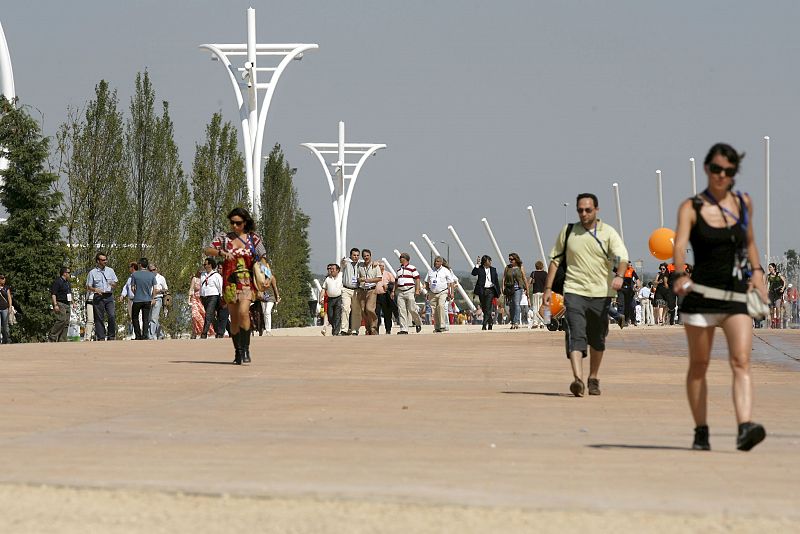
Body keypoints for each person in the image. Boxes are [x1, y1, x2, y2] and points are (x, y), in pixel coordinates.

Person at [673, 142, 768, 452]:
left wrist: (757, 272)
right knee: (699, 365)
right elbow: (679, 245)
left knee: (741, 361)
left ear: (734, 174)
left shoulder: (743, 203)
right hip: (701, 295)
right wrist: (679, 274)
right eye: (716, 169)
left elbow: (750, 241)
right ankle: (701, 431)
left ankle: (744, 427)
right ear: (706, 169)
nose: (721, 176)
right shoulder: (692, 207)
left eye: (728, 171)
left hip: (735, 295)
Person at [543, 193, 628, 397]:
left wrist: (620, 276)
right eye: (580, 209)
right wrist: (547, 289)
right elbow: (555, 260)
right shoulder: (569, 231)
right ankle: (578, 380)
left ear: (596, 210)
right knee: (575, 333)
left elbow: (622, 257)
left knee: (598, 339)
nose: (583, 213)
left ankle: (593, 377)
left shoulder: (608, 233)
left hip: (601, 293)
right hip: (574, 291)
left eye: (588, 209)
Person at [204, 207, 267, 364]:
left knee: (244, 312)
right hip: (230, 283)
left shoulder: (254, 239)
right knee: (234, 317)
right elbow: (208, 249)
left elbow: (263, 259)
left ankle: (246, 349)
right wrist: (221, 253)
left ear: (245, 222)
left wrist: (267, 277)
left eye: (238, 223)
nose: (234, 226)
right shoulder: (224, 238)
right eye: (232, 222)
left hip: (247, 282)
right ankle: (237, 351)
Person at [86, 251, 119, 341]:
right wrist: (95, 290)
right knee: (99, 317)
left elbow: (116, 283)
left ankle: (111, 336)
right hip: (98, 296)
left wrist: (113, 284)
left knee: (112, 315)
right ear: (98, 261)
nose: (105, 261)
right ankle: (101, 337)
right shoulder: (92, 272)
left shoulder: (110, 270)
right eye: (103, 260)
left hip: (109, 296)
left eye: (106, 259)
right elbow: (88, 286)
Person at [425, 256, 455, 333]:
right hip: (432, 293)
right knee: (434, 310)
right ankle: (437, 326)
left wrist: (451, 293)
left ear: (441, 262)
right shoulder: (430, 271)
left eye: (438, 261)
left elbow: (451, 282)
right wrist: (428, 290)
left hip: (443, 292)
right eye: (435, 261)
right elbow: (426, 281)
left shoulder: (445, 271)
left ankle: (442, 325)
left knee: (441, 306)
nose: (436, 263)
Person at [129, 258, 157, 340]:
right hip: (147, 299)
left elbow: (133, 287)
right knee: (145, 318)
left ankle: (138, 335)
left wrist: (136, 294)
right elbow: (155, 288)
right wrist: (153, 298)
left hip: (137, 299)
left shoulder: (135, 274)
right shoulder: (151, 275)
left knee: (135, 317)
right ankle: (145, 335)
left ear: (140, 265)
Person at [395, 252, 422, 334]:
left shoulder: (412, 268)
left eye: (401, 257)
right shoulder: (399, 270)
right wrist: (393, 291)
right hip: (400, 291)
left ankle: (418, 323)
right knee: (401, 310)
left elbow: (417, 278)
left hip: (409, 290)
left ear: (405, 258)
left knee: (412, 308)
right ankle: (404, 329)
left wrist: (417, 290)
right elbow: (396, 281)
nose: (400, 259)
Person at [356, 249, 382, 335]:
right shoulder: (360, 266)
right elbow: (357, 278)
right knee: (363, 310)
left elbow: (379, 278)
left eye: (367, 255)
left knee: (369, 309)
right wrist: (360, 279)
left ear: (370, 256)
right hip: (362, 290)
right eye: (364, 256)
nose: (366, 257)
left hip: (371, 290)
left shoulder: (375, 266)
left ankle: (374, 327)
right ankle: (368, 329)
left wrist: (368, 280)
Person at [472, 255, 501, 331]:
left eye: (491, 260)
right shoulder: (480, 269)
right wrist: (477, 264)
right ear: (485, 262)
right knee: (484, 308)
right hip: (482, 290)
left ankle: (484, 324)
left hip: (490, 290)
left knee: (488, 307)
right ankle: (490, 322)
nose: (490, 262)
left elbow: (496, 281)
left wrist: (498, 292)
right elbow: (474, 273)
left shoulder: (493, 270)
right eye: (489, 260)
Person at [502, 252, 529, 330]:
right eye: (509, 259)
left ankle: (516, 322)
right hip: (509, 288)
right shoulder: (507, 267)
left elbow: (524, 278)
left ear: (516, 259)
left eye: (512, 259)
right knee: (511, 306)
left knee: (516, 304)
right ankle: (513, 321)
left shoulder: (520, 267)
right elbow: (504, 277)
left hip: (518, 288)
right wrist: (503, 287)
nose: (510, 261)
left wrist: (526, 289)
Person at [340, 248, 362, 335]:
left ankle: (355, 330)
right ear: (351, 255)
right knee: (345, 308)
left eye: (357, 255)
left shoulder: (361, 263)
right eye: (354, 255)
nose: (356, 257)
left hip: (357, 290)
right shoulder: (346, 262)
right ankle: (344, 329)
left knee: (356, 310)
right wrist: (343, 260)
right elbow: (342, 263)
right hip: (346, 289)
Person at [199, 258, 223, 338]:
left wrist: (222, 296)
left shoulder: (216, 275)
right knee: (211, 316)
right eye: (204, 264)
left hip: (213, 296)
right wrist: (200, 295)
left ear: (210, 265)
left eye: (206, 264)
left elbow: (220, 286)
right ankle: (218, 331)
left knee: (208, 314)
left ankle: (204, 333)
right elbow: (201, 286)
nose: (204, 266)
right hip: (204, 297)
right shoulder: (203, 275)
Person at [48, 267, 73, 342]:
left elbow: (69, 294)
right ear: (64, 273)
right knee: (62, 319)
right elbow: (53, 294)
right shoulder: (58, 282)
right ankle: (52, 335)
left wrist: (73, 302)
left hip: (67, 303)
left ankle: (62, 339)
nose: (69, 274)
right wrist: (55, 304)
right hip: (60, 303)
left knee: (66, 323)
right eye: (68, 272)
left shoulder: (67, 282)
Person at [321, 264, 343, 336]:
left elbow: (344, 267)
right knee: (330, 316)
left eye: (333, 269)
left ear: (337, 270)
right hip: (330, 299)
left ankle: (335, 332)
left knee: (337, 315)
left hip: (339, 298)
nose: (331, 270)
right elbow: (324, 289)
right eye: (331, 269)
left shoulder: (341, 276)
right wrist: (321, 298)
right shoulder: (328, 279)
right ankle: (334, 328)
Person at [375, 261, 396, 334]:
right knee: (376, 313)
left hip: (385, 295)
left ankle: (388, 329)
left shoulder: (388, 274)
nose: (381, 267)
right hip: (376, 295)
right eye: (380, 265)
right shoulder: (375, 273)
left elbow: (394, 282)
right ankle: (376, 329)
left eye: (382, 266)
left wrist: (392, 291)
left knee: (387, 313)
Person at [119, 262, 139, 339]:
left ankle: (139, 334)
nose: (129, 268)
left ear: (133, 267)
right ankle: (135, 333)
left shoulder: (138, 277)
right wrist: (122, 295)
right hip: (130, 300)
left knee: (138, 318)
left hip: (138, 300)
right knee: (132, 317)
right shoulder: (130, 278)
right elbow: (126, 287)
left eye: (129, 267)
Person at [148, 264, 168, 340]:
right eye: (151, 270)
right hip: (149, 299)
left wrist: (159, 290)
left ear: (156, 269)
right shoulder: (148, 277)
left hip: (158, 298)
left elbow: (166, 289)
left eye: (154, 270)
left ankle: (151, 336)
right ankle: (160, 333)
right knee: (150, 318)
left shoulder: (161, 278)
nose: (152, 271)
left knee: (154, 318)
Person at [766, 263, 786, 329]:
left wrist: (783, 288)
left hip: (777, 293)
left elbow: (784, 281)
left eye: (770, 267)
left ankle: (777, 319)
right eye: (769, 267)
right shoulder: (768, 276)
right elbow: (766, 284)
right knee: (771, 307)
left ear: (774, 268)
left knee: (777, 307)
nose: (769, 269)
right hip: (771, 293)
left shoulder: (778, 274)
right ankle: (772, 321)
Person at [528, 261, 548, 328]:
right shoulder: (545, 273)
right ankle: (542, 323)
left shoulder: (533, 273)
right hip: (543, 293)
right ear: (542, 266)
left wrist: (527, 289)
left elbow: (529, 282)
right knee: (543, 308)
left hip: (535, 292)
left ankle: (535, 322)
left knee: (535, 308)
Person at [187, 270, 206, 339]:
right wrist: (189, 299)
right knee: (194, 316)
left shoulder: (205, 278)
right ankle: (194, 332)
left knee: (203, 316)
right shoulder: (194, 279)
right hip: (195, 299)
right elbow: (191, 289)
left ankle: (202, 332)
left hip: (202, 300)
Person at [0, 274, 11, 344]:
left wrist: (10, 306)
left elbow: (9, 297)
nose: (4, 279)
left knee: (5, 327)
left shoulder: (6, 287)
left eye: (4, 278)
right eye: (2, 278)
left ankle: (7, 340)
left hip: (5, 309)